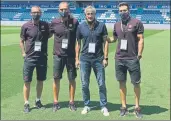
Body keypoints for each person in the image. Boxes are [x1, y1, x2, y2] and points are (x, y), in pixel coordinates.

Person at [108, 2, 144, 118]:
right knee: (121, 83)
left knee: (136, 84)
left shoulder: (136, 23)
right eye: (121, 11)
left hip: (132, 58)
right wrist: (106, 39)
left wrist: (139, 54)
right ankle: (124, 107)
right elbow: (114, 38)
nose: (122, 12)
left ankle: (137, 107)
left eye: (125, 10)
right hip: (119, 59)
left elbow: (141, 39)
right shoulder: (117, 24)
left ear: (129, 10)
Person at [75, 5, 110, 116]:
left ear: (95, 14)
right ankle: (87, 105)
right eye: (88, 13)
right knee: (84, 84)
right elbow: (78, 43)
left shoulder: (101, 26)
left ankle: (103, 105)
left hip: (98, 59)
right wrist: (77, 59)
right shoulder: (81, 27)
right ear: (85, 15)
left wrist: (105, 58)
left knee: (101, 84)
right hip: (84, 59)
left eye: (92, 13)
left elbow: (106, 42)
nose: (90, 15)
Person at [20, 6, 51, 113]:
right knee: (27, 81)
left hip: (42, 58)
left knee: (40, 80)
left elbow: (50, 34)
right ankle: (26, 103)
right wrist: (24, 53)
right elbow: (21, 41)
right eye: (34, 12)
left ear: (41, 13)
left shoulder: (45, 25)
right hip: (29, 58)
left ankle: (38, 101)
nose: (36, 14)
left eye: (38, 12)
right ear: (30, 13)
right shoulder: (25, 26)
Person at [49, 2, 79, 112]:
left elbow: (78, 41)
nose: (63, 11)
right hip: (58, 56)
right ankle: (56, 102)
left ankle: (71, 102)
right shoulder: (54, 22)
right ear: (58, 10)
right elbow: (47, 35)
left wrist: (77, 57)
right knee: (56, 79)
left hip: (70, 56)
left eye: (65, 9)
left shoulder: (74, 22)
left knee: (72, 79)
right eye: (61, 9)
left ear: (69, 9)